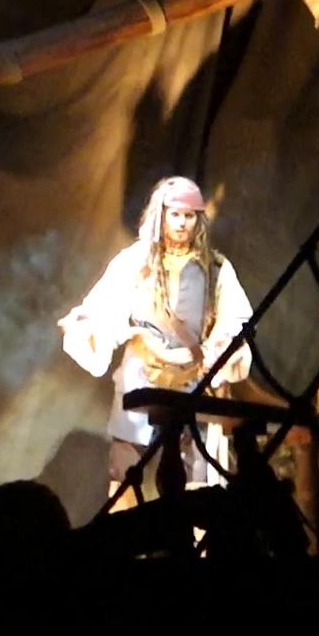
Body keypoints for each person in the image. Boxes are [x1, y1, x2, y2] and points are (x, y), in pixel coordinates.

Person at [57, 176, 253, 507]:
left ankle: (199, 550)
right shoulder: (135, 263)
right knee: (125, 470)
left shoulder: (216, 268)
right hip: (143, 372)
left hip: (196, 377)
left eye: (189, 215)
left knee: (200, 478)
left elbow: (235, 320)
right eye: (174, 214)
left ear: (198, 219)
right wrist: (84, 325)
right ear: (160, 215)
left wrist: (216, 349)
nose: (181, 222)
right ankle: (122, 549)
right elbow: (105, 307)